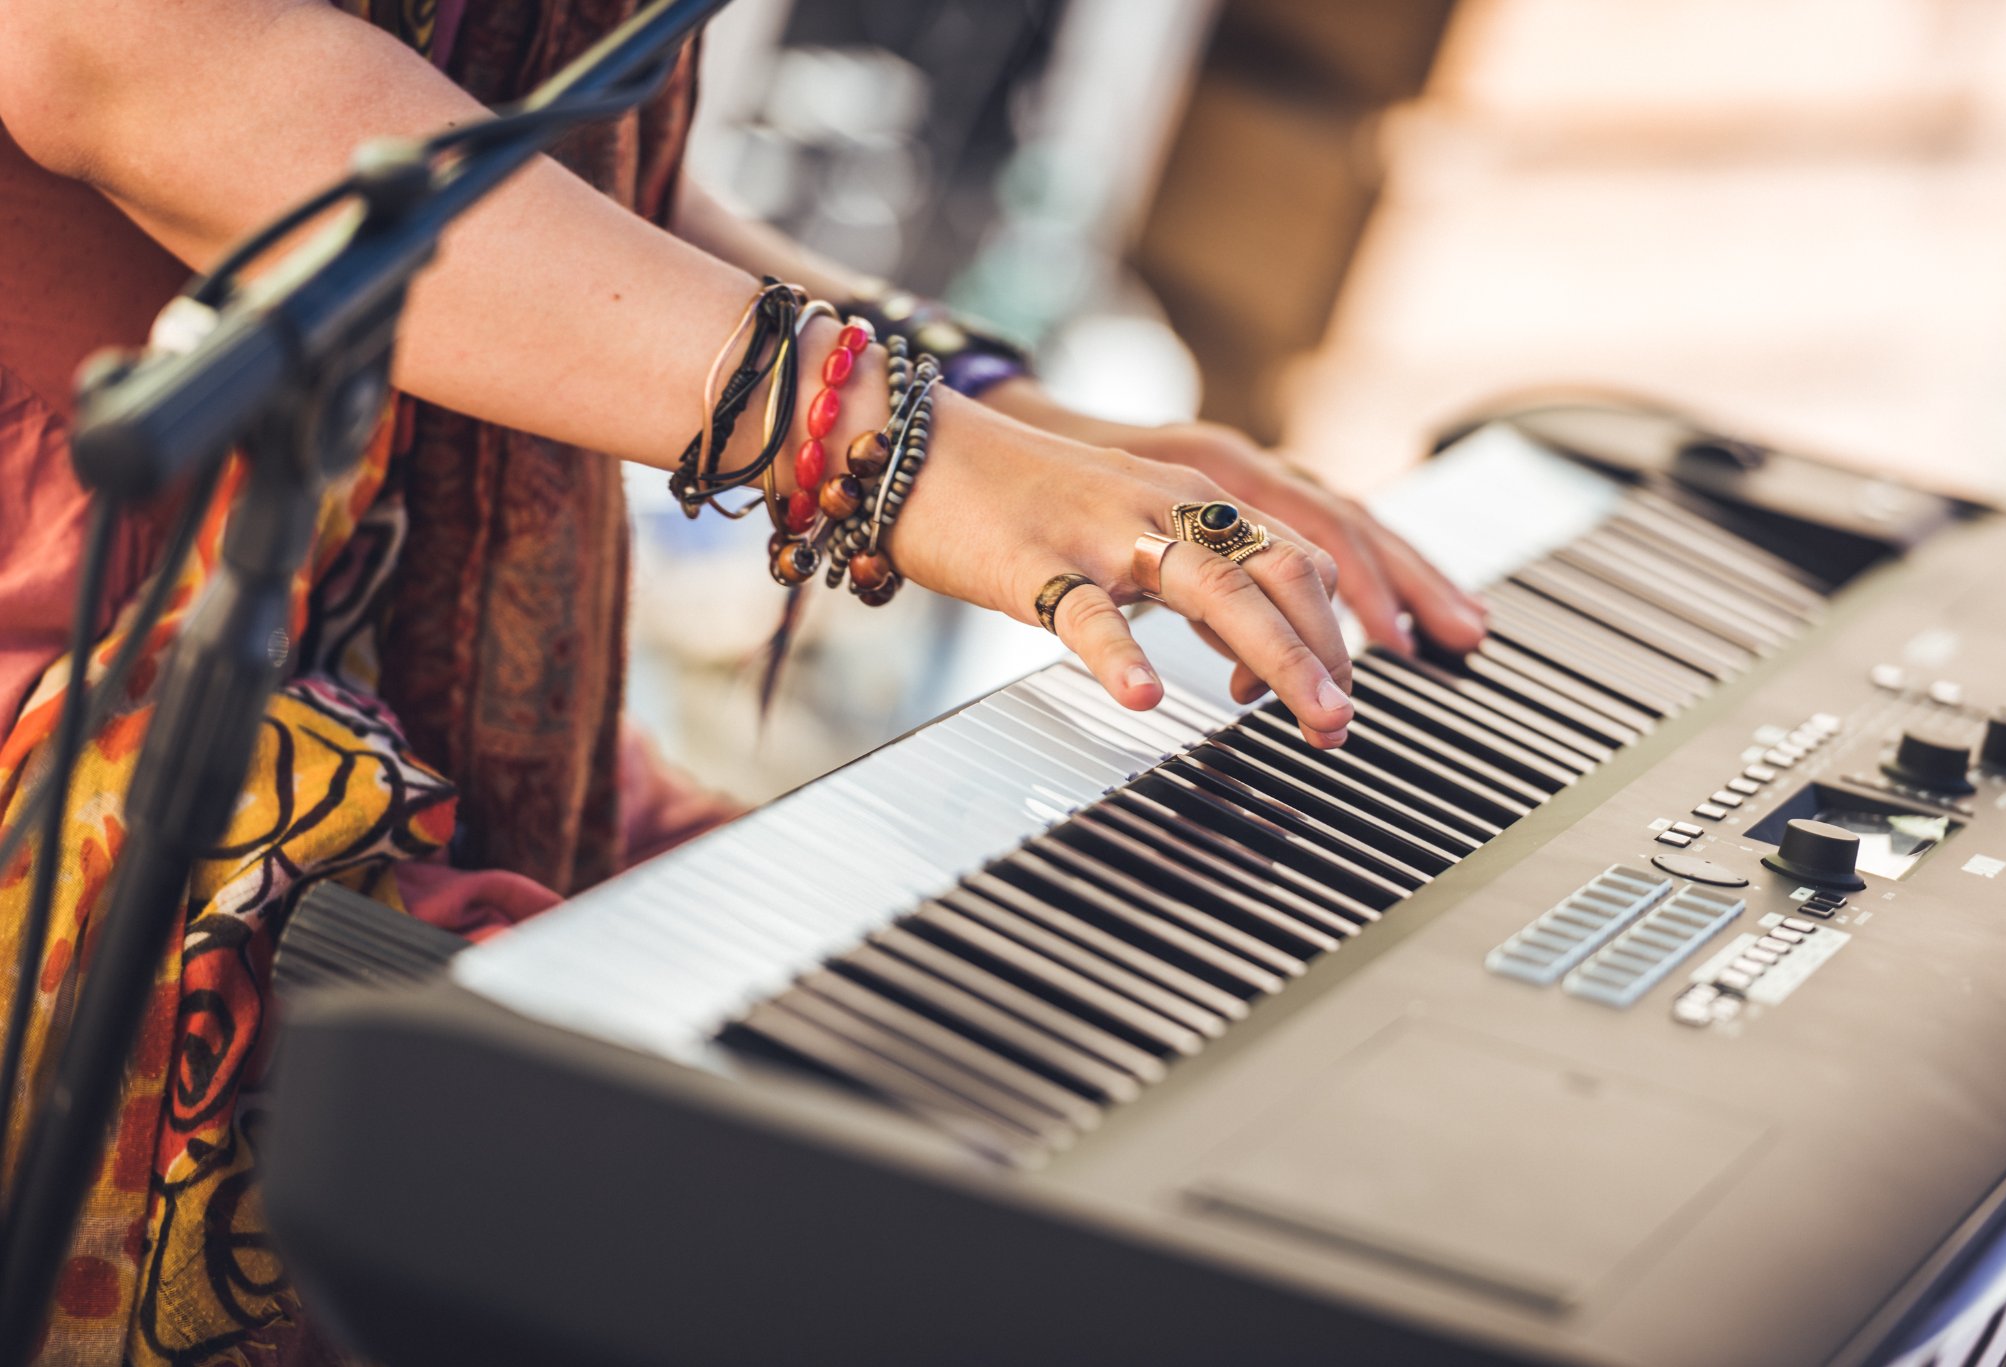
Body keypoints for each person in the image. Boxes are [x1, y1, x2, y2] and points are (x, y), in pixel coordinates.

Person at [0, 0, 1487, 1361]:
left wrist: (1001, 410)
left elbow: (536, 149)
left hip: (446, 718)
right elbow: (129, 57)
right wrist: (891, 444)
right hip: (118, 752)